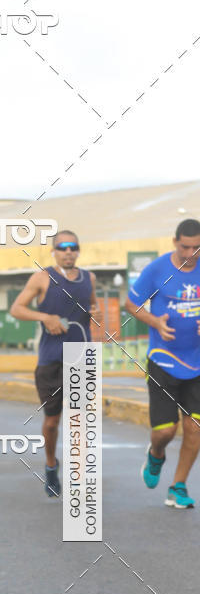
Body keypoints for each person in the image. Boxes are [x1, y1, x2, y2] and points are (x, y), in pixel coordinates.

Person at [10, 230, 100, 497]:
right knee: (52, 422)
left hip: (81, 357)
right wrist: (45, 317)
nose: (68, 251)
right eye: (63, 247)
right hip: (50, 360)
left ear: (79, 250)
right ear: (54, 251)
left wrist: (94, 312)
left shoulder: (89, 278)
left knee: (80, 421)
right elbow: (17, 308)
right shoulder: (42, 277)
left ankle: (78, 475)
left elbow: (92, 305)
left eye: (73, 247)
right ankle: (50, 465)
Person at [126, 218, 200, 508]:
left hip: (197, 364)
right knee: (166, 431)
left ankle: (178, 486)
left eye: (197, 247)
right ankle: (156, 454)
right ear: (174, 242)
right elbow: (131, 304)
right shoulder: (157, 269)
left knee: (194, 429)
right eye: (185, 247)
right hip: (163, 360)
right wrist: (155, 321)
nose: (191, 253)